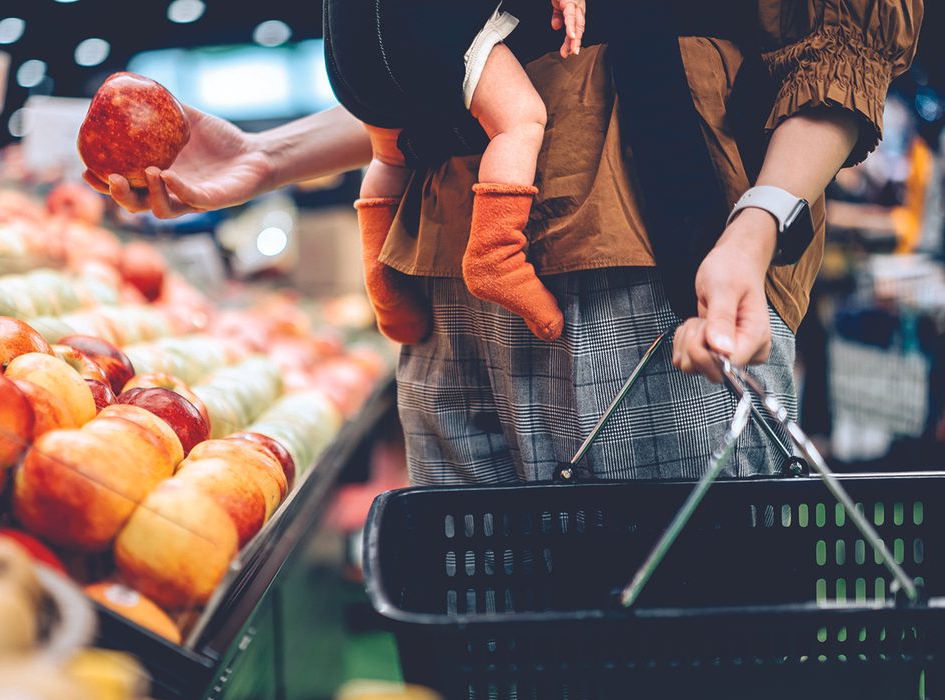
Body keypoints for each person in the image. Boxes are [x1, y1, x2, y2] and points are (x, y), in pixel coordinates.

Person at [87, 0, 924, 487]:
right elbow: (469, 61)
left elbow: (841, 36)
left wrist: (758, 221)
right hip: (450, 284)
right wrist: (264, 154)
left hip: (654, 258)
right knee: (487, 673)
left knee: (679, 655)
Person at [332, 1, 586, 345]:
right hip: (425, 23)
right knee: (518, 121)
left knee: (389, 159)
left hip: (347, 47)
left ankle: (381, 276)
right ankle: (495, 255)